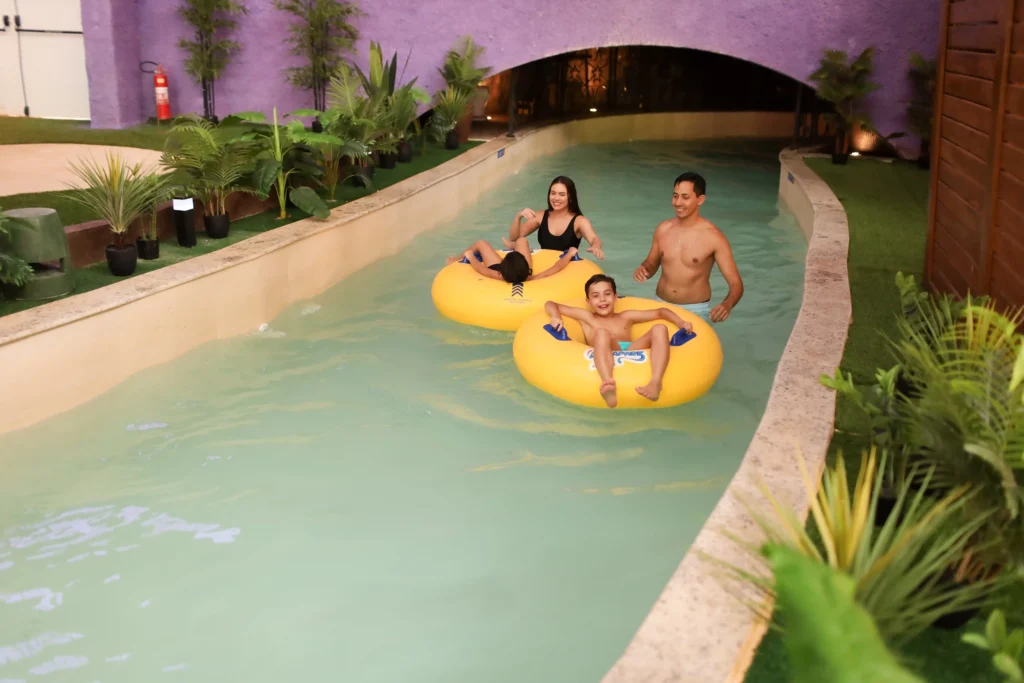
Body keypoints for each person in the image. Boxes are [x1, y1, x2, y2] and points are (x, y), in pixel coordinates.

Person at [545, 274, 693, 408]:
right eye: (596, 296)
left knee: (660, 328)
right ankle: (608, 383)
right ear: (588, 301)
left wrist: (681, 323)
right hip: (605, 352)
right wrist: (555, 316)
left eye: (607, 294)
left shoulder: (625, 317)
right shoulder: (587, 317)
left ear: (616, 297)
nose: (602, 299)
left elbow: (661, 312)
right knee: (602, 332)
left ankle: (655, 382)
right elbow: (551, 304)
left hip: (629, 351)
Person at [633, 172, 743, 323]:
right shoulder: (663, 229)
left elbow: (736, 283)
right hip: (660, 306)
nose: (678, 202)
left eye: (685, 197)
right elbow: (651, 264)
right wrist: (643, 269)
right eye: (675, 196)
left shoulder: (714, 237)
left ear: (700, 200)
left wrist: (727, 305)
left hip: (695, 311)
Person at [505, 175, 605, 259]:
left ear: (570, 197)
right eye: (553, 193)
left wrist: (596, 246)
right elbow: (514, 237)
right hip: (544, 263)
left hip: (566, 266)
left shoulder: (579, 221)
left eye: (562, 195)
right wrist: (518, 217)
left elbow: (594, 239)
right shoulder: (540, 216)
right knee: (521, 242)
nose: (556, 198)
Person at [446, 237, 579, 283]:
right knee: (522, 240)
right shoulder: (530, 277)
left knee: (481, 243)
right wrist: (569, 254)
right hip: (515, 270)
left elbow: (479, 268)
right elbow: (556, 268)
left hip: (498, 267)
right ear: (527, 268)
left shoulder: (497, 275)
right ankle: (512, 246)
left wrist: (469, 256)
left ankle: (456, 259)